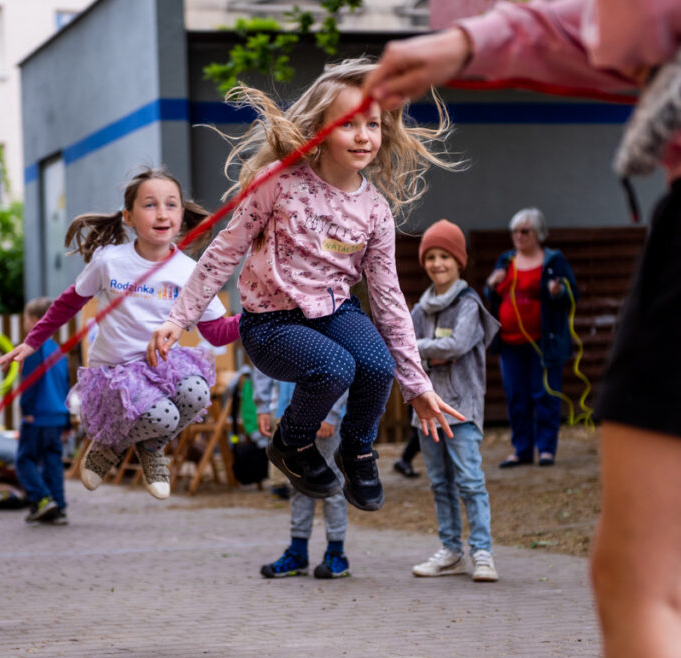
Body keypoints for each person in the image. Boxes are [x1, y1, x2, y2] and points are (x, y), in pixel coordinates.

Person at [365, 2, 681, 658]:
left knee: (642, 581)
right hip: (476, 380)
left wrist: (470, 40)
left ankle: (482, 543)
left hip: (504, 379)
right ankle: (457, 544)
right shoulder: (488, 278)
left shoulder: (502, 285)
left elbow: (625, 30)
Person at [149, 59, 464, 512]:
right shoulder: (278, 183)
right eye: (347, 124)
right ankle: (292, 445)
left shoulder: (374, 211)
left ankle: (357, 451)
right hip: (271, 323)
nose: (363, 136)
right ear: (318, 128)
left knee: (375, 365)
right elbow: (223, 251)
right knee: (335, 368)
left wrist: (416, 385)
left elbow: (389, 299)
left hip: (335, 313)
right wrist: (179, 319)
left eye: (372, 124)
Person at [0, 168, 239, 500]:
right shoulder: (109, 261)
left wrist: (260, 316)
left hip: (164, 369)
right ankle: (109, 443)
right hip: (115, 374)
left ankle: (151, 448)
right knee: (163, 415)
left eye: (171, 204)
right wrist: (32, 341)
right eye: (150, 205)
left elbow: (216, 332)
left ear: (181, 217)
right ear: (128, 217)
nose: (162, 213)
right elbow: (69, 302)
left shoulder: (190, 272)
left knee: (197, 391)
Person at [410, 219, 501, 582]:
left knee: (470, 482)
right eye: (430, 257)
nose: (437, 264)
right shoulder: (418, 310)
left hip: (462, 409)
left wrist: (419, 350)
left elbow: (457, 345)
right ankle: (450, 550)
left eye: (444, 256)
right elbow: (408, 358)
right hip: (427, 412)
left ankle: (483, 553)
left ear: (458, 261)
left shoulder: (469, 304)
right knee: (439, 483)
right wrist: (429, 354)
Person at [484, 208, 577, 468]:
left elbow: (572, 295)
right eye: (515, 231)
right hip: (510, 345)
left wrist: (557, 292)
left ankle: (546, 449)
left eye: (525, 231)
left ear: (539, 233)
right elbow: (490, 293)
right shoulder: (506, 260)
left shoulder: (554, 261)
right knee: (516, 397)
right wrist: (491, 283)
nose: (519, 236)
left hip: (543, 343)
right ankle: (522, 450)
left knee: (545, 394)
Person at [255, 368, 351, 580]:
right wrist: (263, 406)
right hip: (289, 414)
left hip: (325, 416)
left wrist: (331, 412)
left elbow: (343, 366)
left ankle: (337, 553)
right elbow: (261, 358)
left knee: (332, 485)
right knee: (298, 482)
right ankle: (298, 553)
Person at [15, 296, 71, 525]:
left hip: (38, 415)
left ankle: (41, 499)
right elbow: (66, 386)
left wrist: (26, 407)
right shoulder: (57, 350)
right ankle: (59, 508)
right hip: (57, 416)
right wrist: (67, 421)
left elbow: (31, 380)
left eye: (26, 319)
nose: (25, 323)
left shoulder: (33, 347)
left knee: (25, 460)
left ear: (36, 320)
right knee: (53, 462)